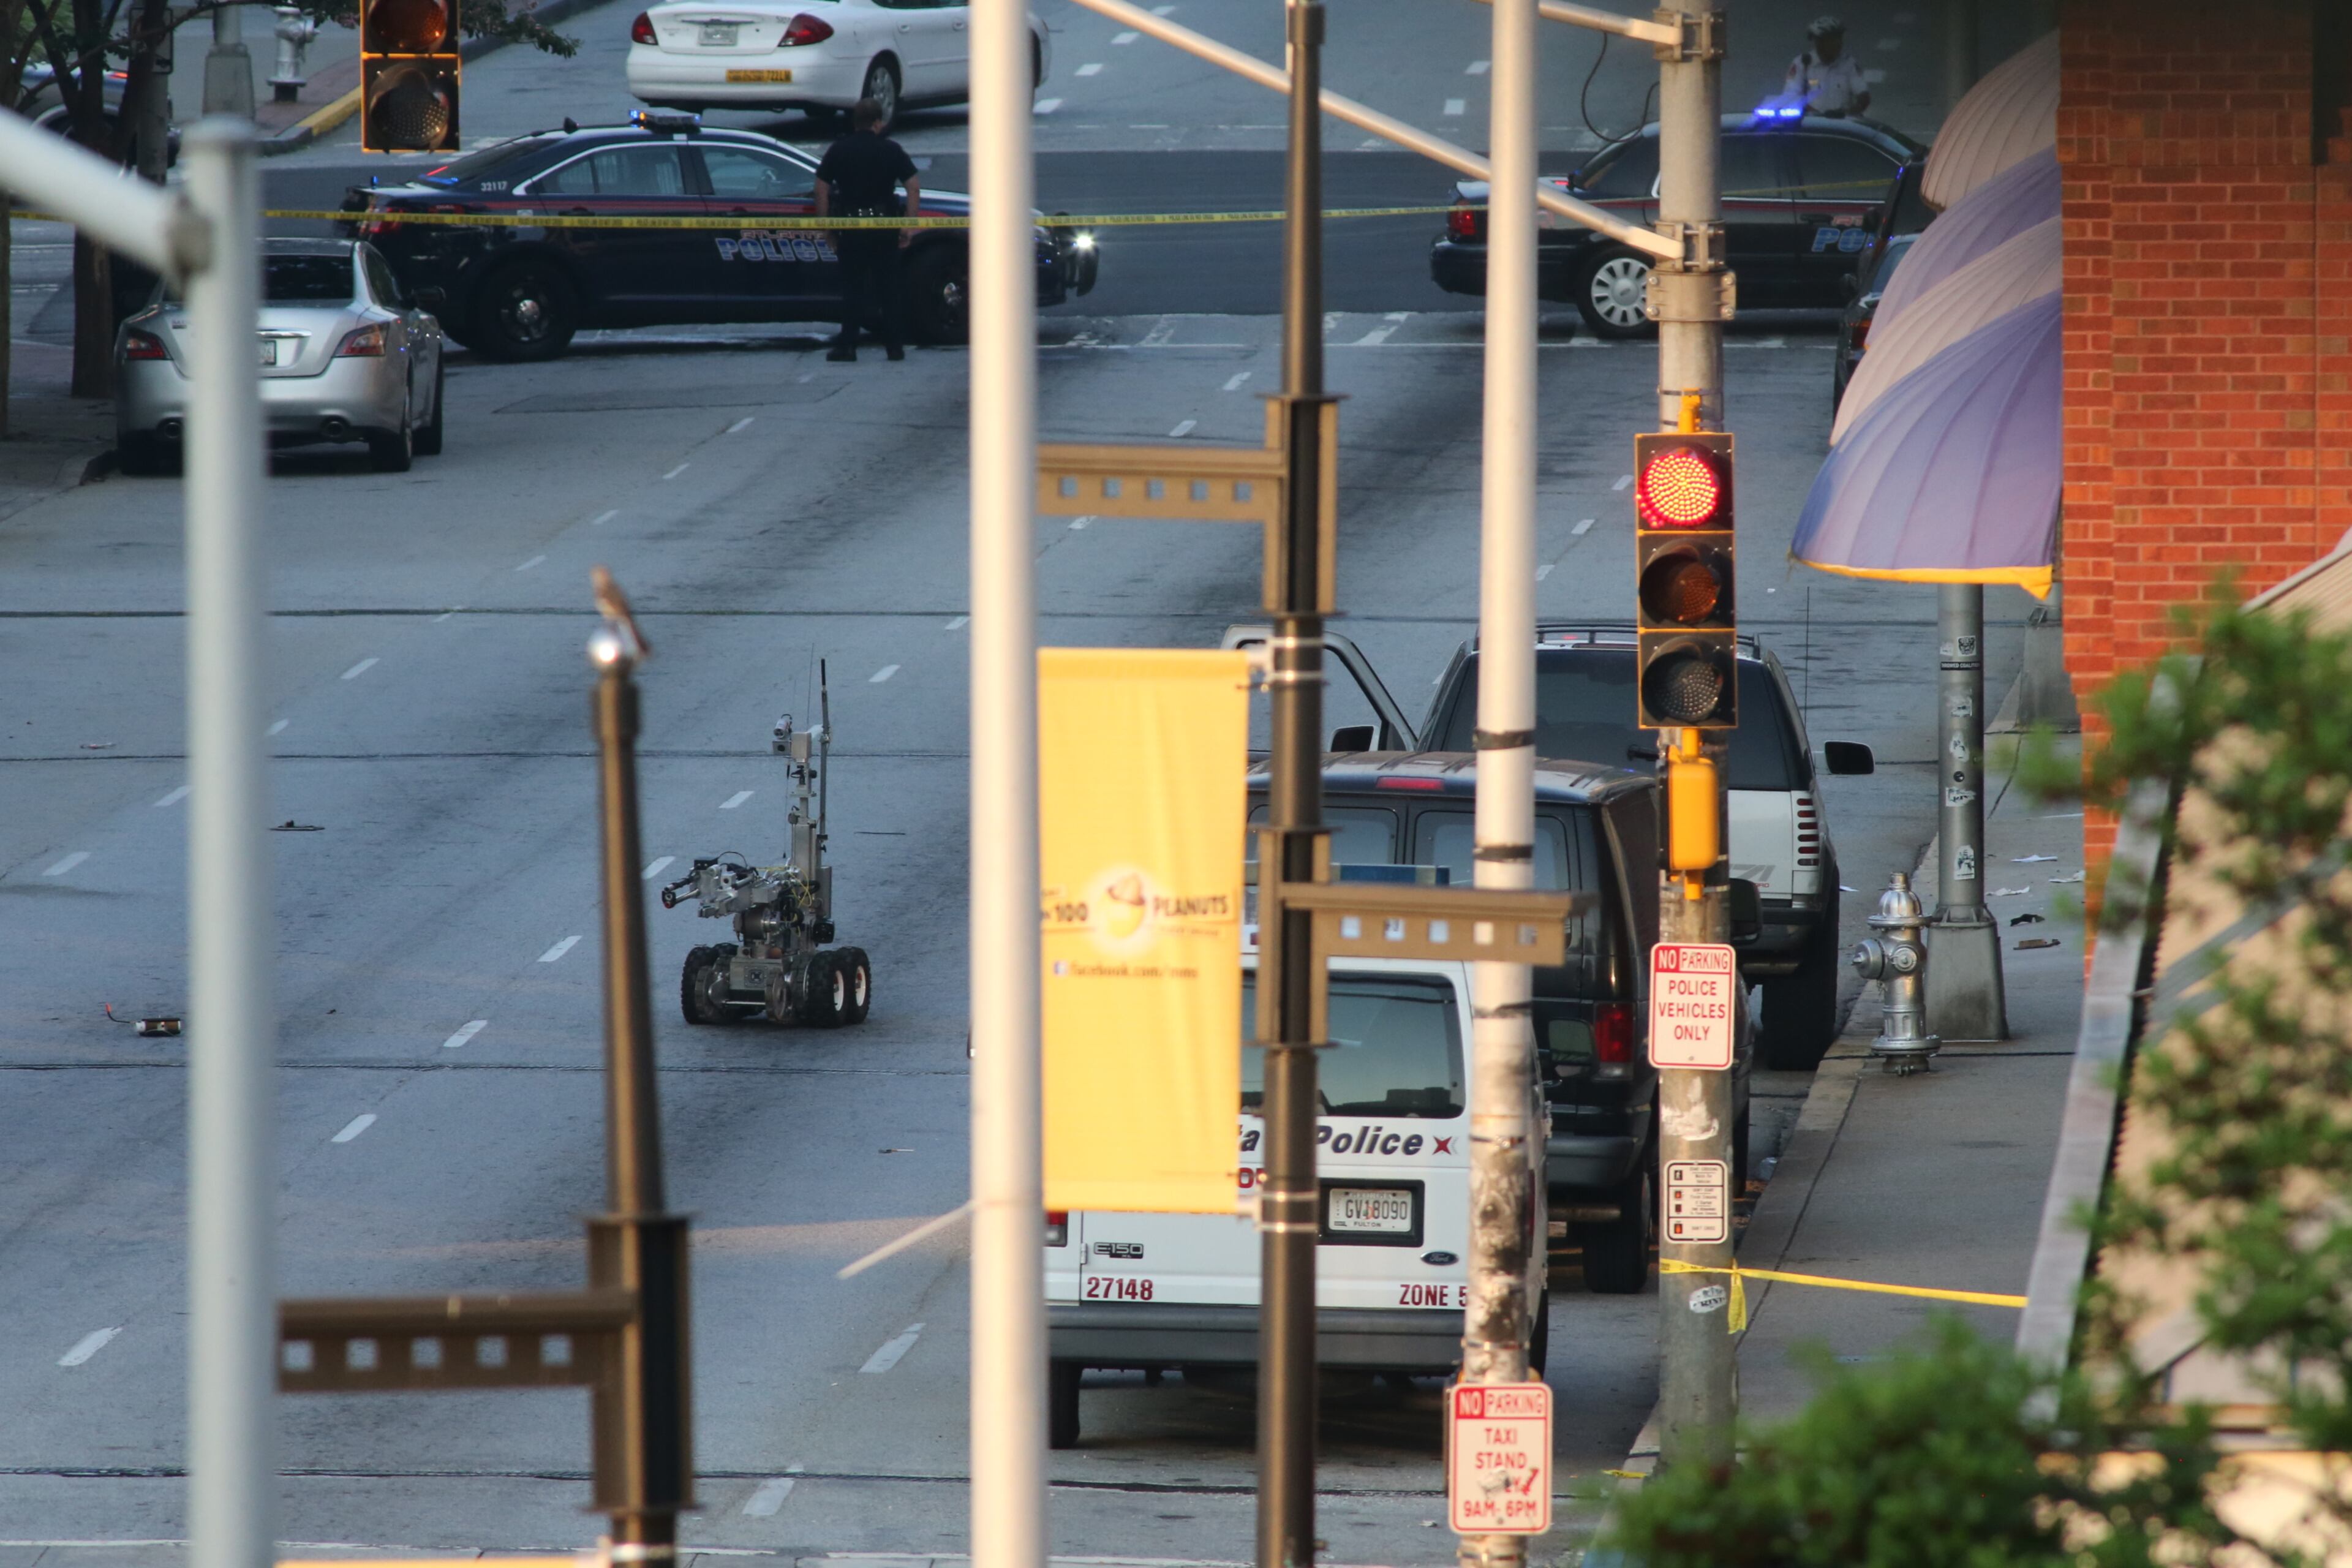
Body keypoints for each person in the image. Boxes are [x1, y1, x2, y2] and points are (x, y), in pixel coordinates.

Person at [815, 98, 921, 363]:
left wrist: (826, 227)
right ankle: (894, 347)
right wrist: (908, 225)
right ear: (878, 122)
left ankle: (848, 346)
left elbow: (821, 187)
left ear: (855, 122)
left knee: (853, 288)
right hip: (884, 227)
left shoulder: (839, 150)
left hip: (850, 227)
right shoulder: (892, 150)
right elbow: (914, 187)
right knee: (889, 289)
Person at [1784, 15, 1871, 118]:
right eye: (1832, 40)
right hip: (1812, 124)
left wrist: (1851, 112)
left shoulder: (1848, 64)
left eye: (1839, 39)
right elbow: (1791, 96)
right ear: (1819, 43)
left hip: (1843, 123)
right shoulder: (1802, 63)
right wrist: (1819, 115)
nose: (1838, 44)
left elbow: (1863, 95)